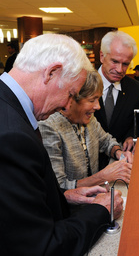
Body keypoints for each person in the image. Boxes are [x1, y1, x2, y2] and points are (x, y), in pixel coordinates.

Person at [0, 34, 123, 255]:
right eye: (71, 94)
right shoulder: (12, 136)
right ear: (51, 73)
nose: (67, 105)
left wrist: (64, 197)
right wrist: (101, 211)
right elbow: (41, 247)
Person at [39, 69, 133, 190]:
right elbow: (59, 186)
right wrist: (103, 176)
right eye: (91, 100)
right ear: (71, 99)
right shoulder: (49, 127)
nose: (98, 106)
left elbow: (106, 141)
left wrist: (120, 154)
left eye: (98, 99)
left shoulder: (89, 118)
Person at [94, 30, 139, 168]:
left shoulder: (137, 90)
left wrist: (130, 137)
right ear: (101, 56)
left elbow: (135, 122)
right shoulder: (82, 84)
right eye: (115, 61)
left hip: (120, 161)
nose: (119, 70)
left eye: (125, 64)